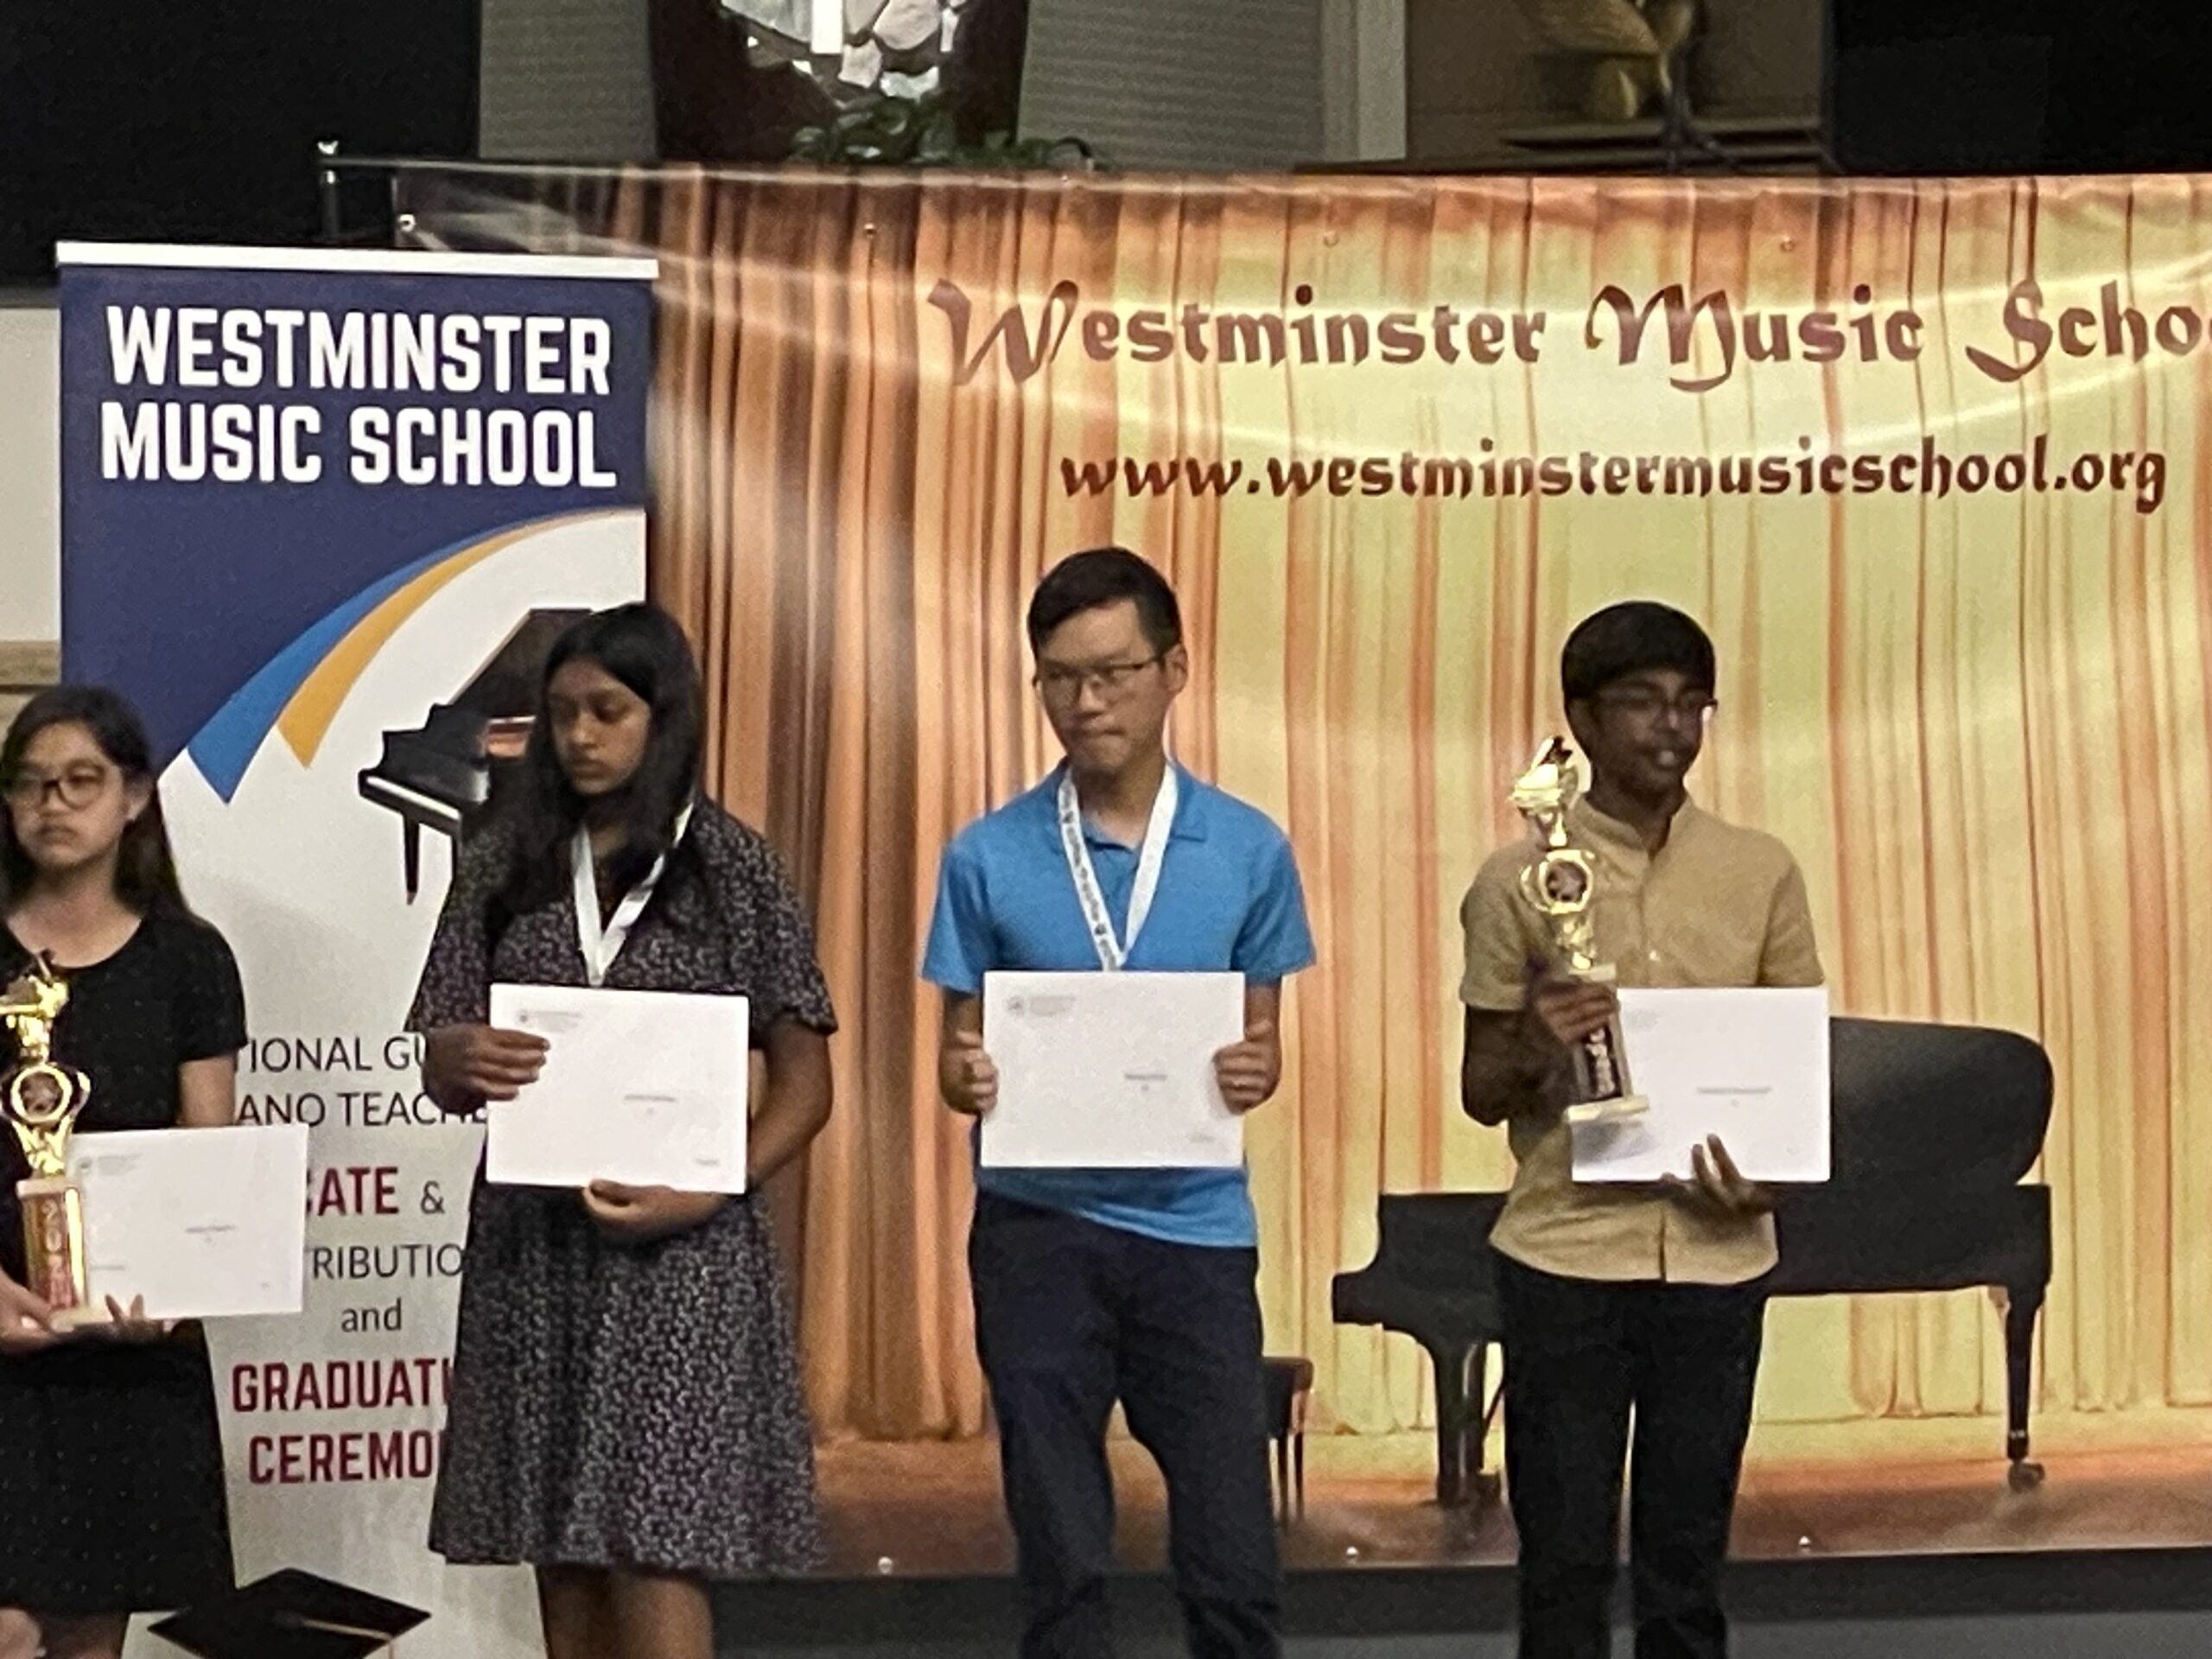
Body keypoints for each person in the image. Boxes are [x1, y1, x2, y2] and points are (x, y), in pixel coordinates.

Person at [410, 602, 837, 1659]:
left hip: (681, 1253)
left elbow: (806, 1082)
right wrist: (456, 1062)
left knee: (654, 1541)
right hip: (534, 1249)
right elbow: (442, 1060)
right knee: (559, 1544)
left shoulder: (733, 867)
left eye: (608, 712)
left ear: (666, 716)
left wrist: (716, 1183)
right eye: (562, 714)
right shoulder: (504, 859)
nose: (579, 736)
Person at [922, 546, 1315, 1659]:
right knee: (1060, 1556)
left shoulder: (1247, 847)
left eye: (1112, 673)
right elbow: (955, 1050)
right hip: (1037, 1233)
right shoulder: (987, 854)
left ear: (1173, 670)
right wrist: (965, 1076)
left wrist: (1255, 1071)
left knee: (1230, 1551)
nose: (1086, 703)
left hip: (1195, 1232)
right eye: (1060, 678)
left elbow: (1261, 1040)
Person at [1459, 601, 1825, 1659]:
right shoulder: (1518, 880)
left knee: (1686, 1568)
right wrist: (1538, 1042)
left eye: (1689, 704)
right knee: (1563, 1564)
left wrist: (1768, 1177)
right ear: (1581, 719)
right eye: (1640, 703)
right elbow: (1482, 1090)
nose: (1670, 727)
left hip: (1717, 1258)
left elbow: (1792, 1063)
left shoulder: (1760, 869)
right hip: (1565, 1255)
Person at [0, 686, 248, 1659]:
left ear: (134, 797)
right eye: (29, 784)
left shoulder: (190, 959)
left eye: (79, 781)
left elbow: (208, 1155)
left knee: (86, 1639)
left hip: (128, 1354)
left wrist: (176, 1287)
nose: (52, 804)